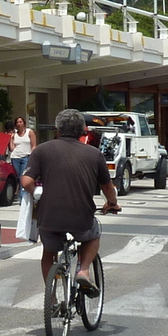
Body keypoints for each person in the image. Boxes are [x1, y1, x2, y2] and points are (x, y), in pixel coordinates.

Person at [21, 108, 120, 295]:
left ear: (57, 129)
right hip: (81, 218)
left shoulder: (42, 150)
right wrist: (112, 203)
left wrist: (38, 192)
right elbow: (108, 187)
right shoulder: (94, 154)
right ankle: (83, 270)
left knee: (49, 253)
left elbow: (26, 181)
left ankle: (51, 298)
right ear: (83, 130)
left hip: (49, 217)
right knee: (93, 233)